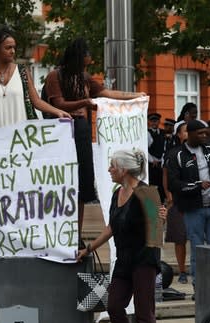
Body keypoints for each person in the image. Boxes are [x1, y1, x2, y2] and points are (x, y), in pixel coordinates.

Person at [42, 37, 145, 239]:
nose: (90, 61)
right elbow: (58, 104)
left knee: (81, 186)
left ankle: (77, 235)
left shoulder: (84, 77)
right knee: (64, 184)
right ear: (80, 56)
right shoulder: (56, 76)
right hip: (61, 133)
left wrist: (134, 96)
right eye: (87, 57)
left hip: (80, 132)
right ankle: (59, 233)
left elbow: (106, 93)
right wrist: (85, 102)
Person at [77, 150, 164, 323]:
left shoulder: (146, 192)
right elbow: (111, 228)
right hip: (124, 259)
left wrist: (158, 216)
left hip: (144, 259)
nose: (109, 170)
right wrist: (88, 248)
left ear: (124, 170)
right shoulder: (118, 193)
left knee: (145, 311)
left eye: (112, 166)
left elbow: (157, 232)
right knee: (114, 304)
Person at [166, 120, 210, 295]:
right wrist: (197, 185)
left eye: (206, 133)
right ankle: (199, 288)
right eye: (200, 133)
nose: (205, 136)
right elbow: (173, 184)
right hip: (193, 209)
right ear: (190, 134)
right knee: (198, 249)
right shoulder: (176, 154)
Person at [162, 122, 189, 284]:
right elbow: (165, 175)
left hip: (196, 201)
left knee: (197, 236)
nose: (188, 133)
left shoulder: (202, 152)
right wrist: (168, 195)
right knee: (180, 237)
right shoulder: (172, 153)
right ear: (179, 135)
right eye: (185, 131)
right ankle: (183, 270)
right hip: (178, 200)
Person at [147, 112, 166, 201]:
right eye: (152, 121)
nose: (154, 123)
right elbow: (145, 149)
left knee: (162, 184)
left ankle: (162, 202)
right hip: (152, 164)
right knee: (152, 184)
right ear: (148, 122)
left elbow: (165, 147)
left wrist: (162, 160)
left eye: (156, 121)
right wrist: (152, 160)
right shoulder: (147, 133)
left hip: (161, 163)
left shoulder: (163, 132)